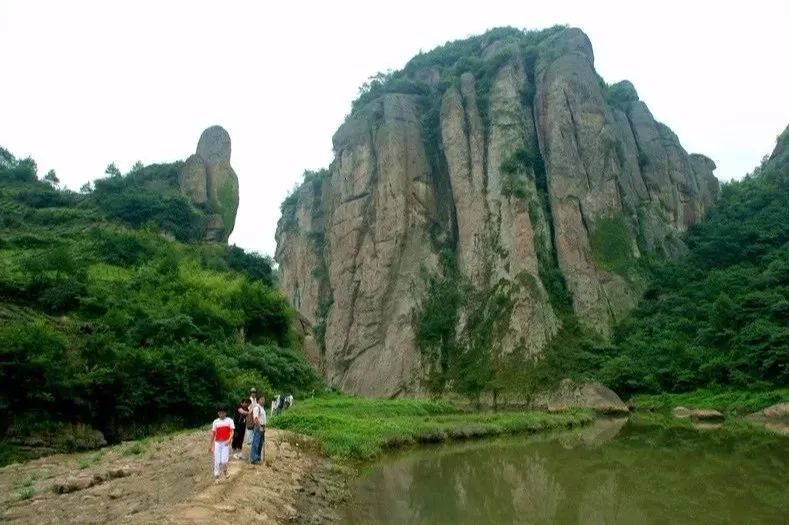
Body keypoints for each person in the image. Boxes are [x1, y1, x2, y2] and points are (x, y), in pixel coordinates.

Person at [209, 407, 235, 482]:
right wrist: (210, 445)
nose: (222, 414)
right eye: (220, 413)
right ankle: (217, 477)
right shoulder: (215, 422)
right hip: (217, 443)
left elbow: (232, 432)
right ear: (218, 413)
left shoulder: (229, 420)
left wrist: (229, 440)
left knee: (224, 460)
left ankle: (225, 471)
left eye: (223, 412)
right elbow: (213, 434)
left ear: (225, 413)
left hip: (225, 443)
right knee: (217, 460)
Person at [249, 394, 267, 465]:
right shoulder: (256, 408)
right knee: (256, 442)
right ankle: (254, 459)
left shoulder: (262, 408)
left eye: (264, 400)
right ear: (258, 400)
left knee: (260, 443)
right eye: (262, 399)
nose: (263, 401)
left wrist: (264, 427)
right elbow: (255, 419)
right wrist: (260, 427)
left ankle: (258, 457)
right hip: (258, 427)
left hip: (262, 427)